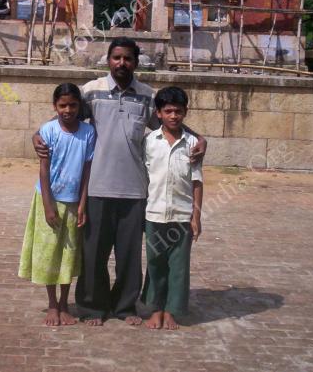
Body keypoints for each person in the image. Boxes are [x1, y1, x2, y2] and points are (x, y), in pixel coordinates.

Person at [33, 37, 207, 325]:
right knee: (94, 255)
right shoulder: (91, 92)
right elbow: (65, 116)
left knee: (129, 256)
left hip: (135, 190)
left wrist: (200, 138)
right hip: (97, 187)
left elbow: (170, 123)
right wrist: (37, 135)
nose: (121, 63)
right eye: (116, 57)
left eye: (127, 58)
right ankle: (93, 307)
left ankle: (125, 307)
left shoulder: (148, 96)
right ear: (108, 60)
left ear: (136, 62)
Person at [19, 83, 96, 326]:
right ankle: (52, 303)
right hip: (49, 199)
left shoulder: (88, 133)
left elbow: (87, 171)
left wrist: (82, 203)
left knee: (69, 254)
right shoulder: (48, 130)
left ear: (79, 106)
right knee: (49, 253)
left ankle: (65, 303)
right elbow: (43, 170)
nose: (68, 110)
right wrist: (48, 204)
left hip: (73, 203)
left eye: (73, 105)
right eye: (63, 105)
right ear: (55, 106)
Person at [142, 86, 203, 331]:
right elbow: (144, 177)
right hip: (154, 213)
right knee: (155, 263)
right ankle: (156, 309)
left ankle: (171, 311)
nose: (173, 116)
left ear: (185, 112)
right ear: (158, 113)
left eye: (178, 111)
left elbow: (197, 182)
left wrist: (196, 216)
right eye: (168, 111)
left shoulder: (193, 144)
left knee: (178, 266)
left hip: (182, 214)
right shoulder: (149, 142)